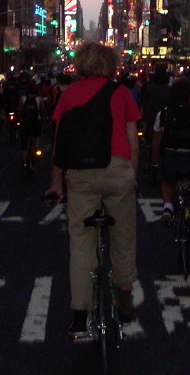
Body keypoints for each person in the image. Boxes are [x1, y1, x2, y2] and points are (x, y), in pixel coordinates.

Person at [46, 42, 140, 338]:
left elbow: (60, 145)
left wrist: (55, 184)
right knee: (123, 238)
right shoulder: (122, 92)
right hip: (117, 170)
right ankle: (124, 298)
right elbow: (133, 142)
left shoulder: (69, 94)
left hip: (81, 174)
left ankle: (79, 314)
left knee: (81, 242)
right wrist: (132, 176)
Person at [152, 78, 190, 263]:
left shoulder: (164, 114)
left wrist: (155, 160)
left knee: (168, 181)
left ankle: (168, 206)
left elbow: (156, 141)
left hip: (172, 155)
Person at [17, 80, 44, 177]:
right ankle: (36, 147)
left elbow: (19, 110)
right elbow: (42, 111)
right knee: (37, 134)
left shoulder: (23, 98)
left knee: (24, 143)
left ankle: (25, 163)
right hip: (36, 122)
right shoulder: (39, 99)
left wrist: (18, 119)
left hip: (25, 123)